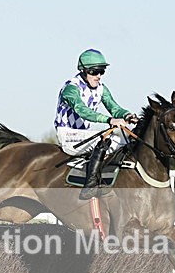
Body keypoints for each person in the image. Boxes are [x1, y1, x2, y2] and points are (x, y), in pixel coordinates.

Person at [54, 48, 138, 199]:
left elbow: (114, 107)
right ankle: (91, 184)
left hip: (84, 135)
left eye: (102, 71)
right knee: (112, 141)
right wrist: (109, 120)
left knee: (123, 142)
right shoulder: (71, 88)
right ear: (83, 71)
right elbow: (82, 110)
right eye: (94, 71)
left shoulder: (101, 89)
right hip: (68, 135)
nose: (98, 76)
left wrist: (128, 115)